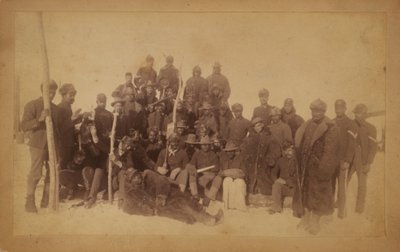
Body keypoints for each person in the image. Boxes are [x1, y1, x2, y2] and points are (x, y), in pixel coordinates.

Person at [292, 99, 339, 235]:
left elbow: (330, 151)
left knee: (319, 194)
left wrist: (324, 169)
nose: (316, 113)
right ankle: (306, 218)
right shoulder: (307, 125)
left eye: (319, 111)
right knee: (305, 192)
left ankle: (315, 222)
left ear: (324, 112)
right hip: (306, 167)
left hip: (320, 167)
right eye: (313, 110)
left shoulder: (331, 127)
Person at [122, 169, 224, 226]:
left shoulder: (147, 175)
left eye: (137, 174)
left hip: (163, 197)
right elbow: (127, 208)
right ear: (130, 181)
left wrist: (161, 196)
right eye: (134, 177)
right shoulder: (131, 192)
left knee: (185, 198)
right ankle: (205, 219)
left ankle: (207, 217)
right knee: (181, 206)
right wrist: (145, 210)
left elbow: (162, 180)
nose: (137, 177)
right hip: (158, 208)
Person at [20, 81, 60, 212]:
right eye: (49, 91)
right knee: (36, 173)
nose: (52, 94)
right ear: (42, 91)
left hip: (52, 146)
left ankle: (46, 200)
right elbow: (24, 125)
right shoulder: (33, 105)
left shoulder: (55, 109)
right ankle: (29, 202)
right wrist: (39, 120)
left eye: (54, 91)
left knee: (52, 172)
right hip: (37, 144)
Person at [241, 117, 281, 206]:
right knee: (250, 182)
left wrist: (270, 159)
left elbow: (276, 151)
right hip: (251, 166)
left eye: (260, 125)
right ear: (253, 127)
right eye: (257, 126)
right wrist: (247, 157)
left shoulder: (269, 137)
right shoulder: (249, 138)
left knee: (265, 182)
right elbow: (243, 150)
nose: (260, 127)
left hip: (265, 166)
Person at [348, 104, 378, 214]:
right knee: (345, 181)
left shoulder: (371, 128)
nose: (357, 115)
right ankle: (341, 205)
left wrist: (369, 162)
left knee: (362, 185)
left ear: (365, 114)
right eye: (356, 113)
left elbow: (373, 146)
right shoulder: (350, 125)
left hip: (363, 159)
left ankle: (359, 208)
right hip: (350, 158)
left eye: (359, 113)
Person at [331, 99, 358, 218]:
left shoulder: (350, 123)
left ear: (345, 109)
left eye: (341, 108)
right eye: (337, 108)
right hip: (332, 161)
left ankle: (342, 212)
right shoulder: (332, 122)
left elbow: (352, 144)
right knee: (331, 185)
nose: (338, 110)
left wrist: (348, 160)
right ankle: (329, 207)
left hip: (343, 161)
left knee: (342, 187)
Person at [186, 136, 221, 205]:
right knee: (191, 175)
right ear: (201, 145)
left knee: (218, 178)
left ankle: (209, 198)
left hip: (209, 175)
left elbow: (215, 170)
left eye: (207, 145)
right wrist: (193, 170)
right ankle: (195, 195)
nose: (205, 147)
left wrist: (208, 176)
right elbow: (191, 165)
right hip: (199, 174)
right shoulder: (196, 154)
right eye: (203, 145)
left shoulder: (213, 155)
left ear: (210, 145)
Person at [57, 83, 82, 170]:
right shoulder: (60, 108)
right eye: (70, 95)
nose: (73, 98)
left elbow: (70, 124)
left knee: (67, 167)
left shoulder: (67, 107)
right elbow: (59, 129)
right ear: (63, 95)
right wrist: (72, 119)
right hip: (63, 145)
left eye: (73, 95)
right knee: (62, 167)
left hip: (69, 144)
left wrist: (81, 117)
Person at [268, 141, 298, 214]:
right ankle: (276, 208)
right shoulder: (281, 160)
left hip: (295, 188)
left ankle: (298, 209)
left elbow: (298, 177)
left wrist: (287, 182)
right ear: (284, 151)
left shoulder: (297, 161)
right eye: (287, 150)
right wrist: (277, 180)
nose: (290, 152)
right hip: (284, 188)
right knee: (276, 185)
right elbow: (273, 173)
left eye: (291, 149)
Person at [219, 141, 247, 211]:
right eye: (228, 152)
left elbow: (243, 173)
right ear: (226, 152)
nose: (230, 153)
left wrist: (233, 174)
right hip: (229, 180)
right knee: (227, 180)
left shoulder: (240, 159)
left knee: (239, 182)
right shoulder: (224, 160)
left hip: (238, 179)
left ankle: (240, 206)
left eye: (232, 151)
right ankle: (227, 205)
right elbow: (221, 173)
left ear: (234, 151)